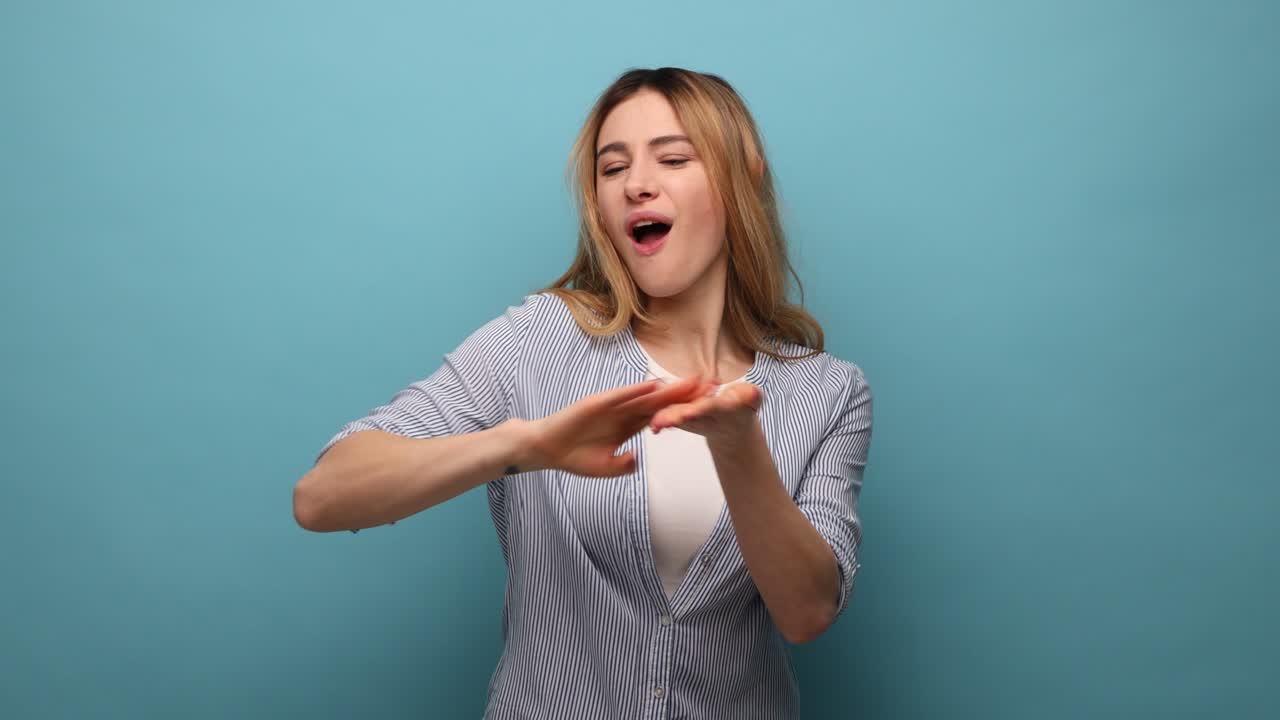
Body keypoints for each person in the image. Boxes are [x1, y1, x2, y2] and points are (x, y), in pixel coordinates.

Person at [294, 67, 874, 720]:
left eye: (674, 158)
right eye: (611, 168)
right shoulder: (536, 341)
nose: (637, 185)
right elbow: (322, 498)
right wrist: (525, 445)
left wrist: (738, 447)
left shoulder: (829, 392)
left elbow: (807, 611)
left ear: (745, 172)